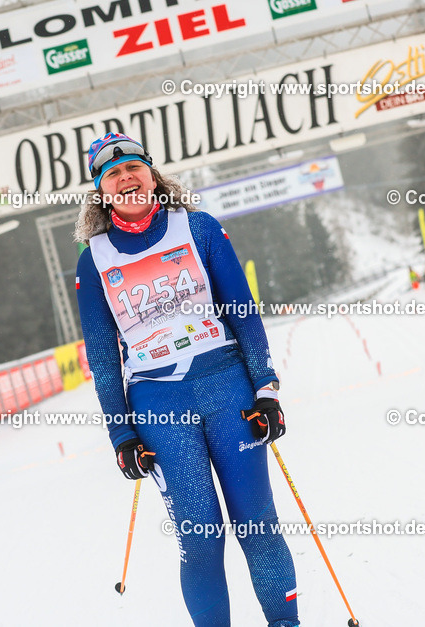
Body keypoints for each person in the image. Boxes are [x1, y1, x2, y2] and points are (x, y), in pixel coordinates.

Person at [74, 133, 298, 627]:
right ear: (102, 191)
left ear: (152, 175)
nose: (126, 178)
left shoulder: (198, 228)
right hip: (159, 405)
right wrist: (121, 432)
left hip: (228, 388)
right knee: (200, 539)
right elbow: (104, 359)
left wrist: (266, 387)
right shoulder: (94, 260)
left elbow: (243, 310)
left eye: (134, 167)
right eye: (113, 174)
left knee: (257, 525)